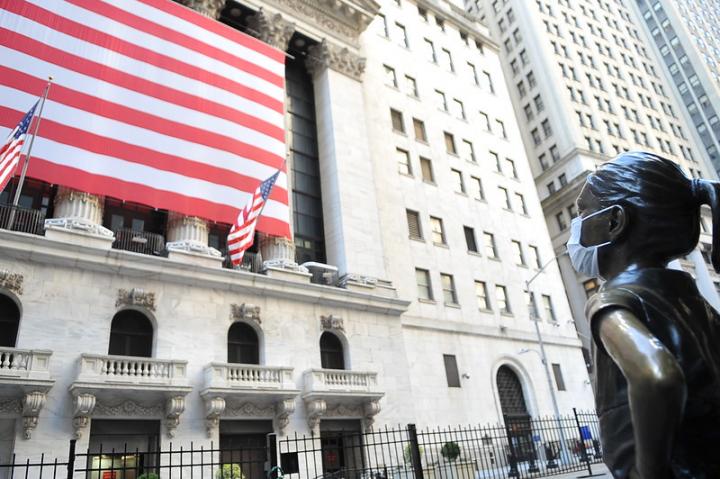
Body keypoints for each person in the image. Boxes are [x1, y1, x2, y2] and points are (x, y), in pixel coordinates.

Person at [567, 151, 720, 479]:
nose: (575, 227)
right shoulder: (700, 307)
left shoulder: (611, 301)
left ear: (614, 222)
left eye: (582, 212)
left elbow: (656, 376)